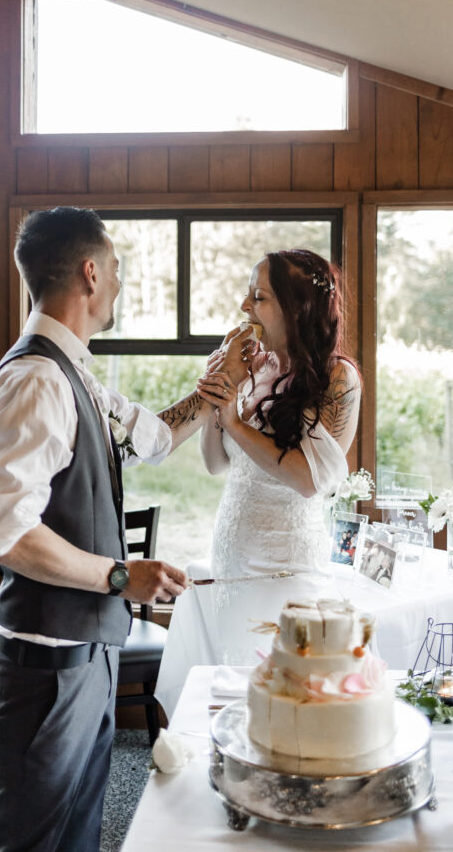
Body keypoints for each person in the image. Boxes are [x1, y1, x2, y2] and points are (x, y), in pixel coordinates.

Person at [0, 206, 246, 852]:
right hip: (43, 661)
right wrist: (122, 576)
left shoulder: (75, 373)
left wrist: (215, 390)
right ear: (91, 273)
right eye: (116, 270)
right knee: (31, 839)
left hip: (83, 649)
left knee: (75, 835)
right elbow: (7, 533)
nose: (119, 284)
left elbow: (148, 437)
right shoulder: (35, 379)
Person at [155, 248, 361, 716]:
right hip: (231, 555)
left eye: (258, 297)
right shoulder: (258, 369)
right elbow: (215, 462)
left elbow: (308, 480)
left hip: (283, 568)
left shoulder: (338, 379)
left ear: (297, 307)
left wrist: (234, 420)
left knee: (280, 700)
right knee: (229, 699)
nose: (245, 308)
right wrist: (218, 394)